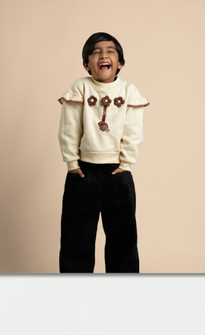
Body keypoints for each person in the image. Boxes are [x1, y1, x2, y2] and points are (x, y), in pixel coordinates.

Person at [57, 32, 149, 273]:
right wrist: (72, 162)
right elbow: (69, 126)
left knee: (123, 239)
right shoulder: (81, 87)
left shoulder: (129, 90)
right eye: (96, 51)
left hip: (117, 174)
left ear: (120, 63)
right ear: (87, 64)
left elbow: (133, 130)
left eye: (110, 51)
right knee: (75, 239)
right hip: (82, 174)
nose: (103, 55)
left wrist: (127, 164)